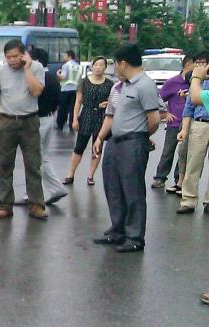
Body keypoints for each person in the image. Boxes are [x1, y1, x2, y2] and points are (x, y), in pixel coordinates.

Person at [92, 44, 161, 252]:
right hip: (115, 142)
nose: (114, 68)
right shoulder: (124, 85)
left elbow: (154, 120)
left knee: (133, 191)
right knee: (113, 187)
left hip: (133, 142)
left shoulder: (144, 85)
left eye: (115, 64)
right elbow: (112, 115)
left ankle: (134, 237)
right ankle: (117, 231)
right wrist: (101, 137)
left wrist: (141, 137)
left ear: (123, 63)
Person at [0, 38, 47, 221]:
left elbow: (36, 91)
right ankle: (5, 205)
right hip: (7, 121)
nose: (12, 60)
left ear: (23, 54)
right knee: (4, 164)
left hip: (29, 120)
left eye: (15, 56)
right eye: (8, 57)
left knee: (33, 164)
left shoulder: (36, 68)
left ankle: (36, 204)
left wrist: (27, 68)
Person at [17, 47, 68, 206]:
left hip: (36, 121)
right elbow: (57, 101)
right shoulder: (53, 78)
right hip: (48, 119)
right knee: (42, 157)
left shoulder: (37, 79)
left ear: (36, 61)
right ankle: (50, 189)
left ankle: (37, 192)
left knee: (34, 159)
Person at [65, 56, 114, 186]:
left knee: (97, 148)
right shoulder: (84, 82)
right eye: (96, 65)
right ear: (92, 66)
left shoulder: (109, 84)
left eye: (101, 65)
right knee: (79, 147)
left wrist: (107, 103)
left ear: (105, 67)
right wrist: (75, 119)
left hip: (102, 117)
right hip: (86, 115)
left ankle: (91, 175)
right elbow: (78, 101)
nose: (98, 67)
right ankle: (70, 174)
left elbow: (114, 100)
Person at [150, 54, 193, 190]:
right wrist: (166, 113)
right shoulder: (172, 82)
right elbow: (158, 98)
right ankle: (160, 177)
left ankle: (178, 180)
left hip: (190, 123)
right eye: (195, 64)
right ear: (187, 64)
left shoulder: (195, 82)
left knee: (184, 154)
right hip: (174, 123)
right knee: (168, 151)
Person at [178, 60, 209, 215]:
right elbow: (189, 106)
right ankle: (188, 200)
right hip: (200, 123)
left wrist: (196, 79)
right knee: (193, 163)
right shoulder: (198, 83)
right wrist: (184, 129)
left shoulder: (197, 82)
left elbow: (196, 98)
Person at [56, 50, 80, 130]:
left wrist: (58, 74)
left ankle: (60, 124)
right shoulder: (78, 66)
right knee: (73, 108)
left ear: (69, 56)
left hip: (65, 89)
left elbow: (63, 77)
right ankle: (71, 125)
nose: (64, 57)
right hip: (75, 89)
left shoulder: (66, 65)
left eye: (65, 55)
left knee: (62, 108)